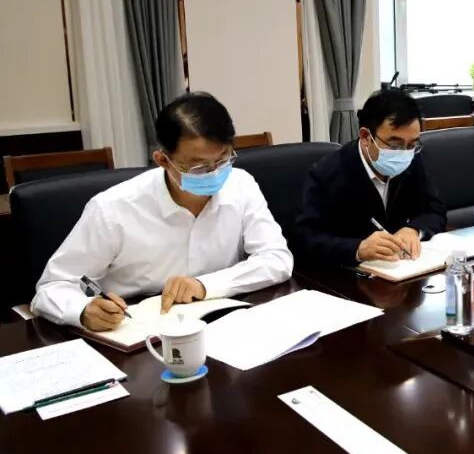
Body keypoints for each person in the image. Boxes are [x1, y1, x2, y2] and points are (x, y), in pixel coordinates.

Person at [30, 92, 293, 331]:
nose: (215, 173)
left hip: (220, 323)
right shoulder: (112, 209)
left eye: (223, 159)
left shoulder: (241, 184)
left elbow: (276, 258)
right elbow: (52, 287)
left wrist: (204, 285)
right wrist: (83, 310)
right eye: (199, 167)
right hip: (137, 330)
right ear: (162, 160)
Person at [295, 90, 446, 267]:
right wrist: (358, 249)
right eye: (394, 145)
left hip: (402, 269)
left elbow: (435, 210)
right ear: (366, 137)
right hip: (346, 274)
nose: (404, 153)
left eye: (412, 144)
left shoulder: (411, 158)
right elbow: (305, 238)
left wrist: (413, 229)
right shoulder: (327, 173)